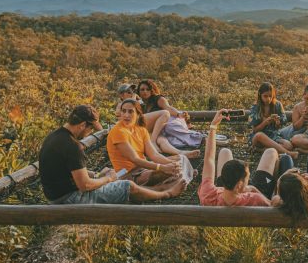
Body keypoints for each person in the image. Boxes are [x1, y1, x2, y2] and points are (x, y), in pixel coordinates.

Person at [39, 105, 187, 204]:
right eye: (90, 130)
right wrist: (107, 178)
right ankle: (166, 193)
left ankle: (159, 189)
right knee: (127, 186)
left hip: (56, 194)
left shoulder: (53, 137)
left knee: (115, 178)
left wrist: (97, 174)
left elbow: (68, 171)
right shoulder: (72, 146)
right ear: (83, 125)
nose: (89, 133)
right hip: (70, 199)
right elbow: (85, 185)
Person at [106, 99, 196, 187]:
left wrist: (171, 164)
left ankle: (181, 174)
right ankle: (183, 175)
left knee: (181, 158)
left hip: (143, 168)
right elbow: (135, 159)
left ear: (138, 114)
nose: (126, 115)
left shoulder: (141, 130)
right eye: (123, 111)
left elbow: (154, 155)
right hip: (127, 174)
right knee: (161, 173)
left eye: (130, 112)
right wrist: (162, 167)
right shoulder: (118, 131)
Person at [198, 109, 274, 206]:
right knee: (271, 152)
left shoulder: (208, 195)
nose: (248, 180)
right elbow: (271, 206)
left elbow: (209, 159)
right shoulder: (254, 199)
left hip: (229, 195)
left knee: (225, 151)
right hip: (257, 192)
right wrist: (253, 189)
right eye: (247, 178)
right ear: (239, 185)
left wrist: (213, 126)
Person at [136, 79, 200, 156]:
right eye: (142, 90)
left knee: (162, 140)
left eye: (148, 89)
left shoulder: (158, 99)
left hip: (153, 130)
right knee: (164, 115)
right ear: (138, 92)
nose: (145, 92)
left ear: (152, 90)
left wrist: (178, 114)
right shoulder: (139, 103)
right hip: (143, 128)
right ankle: (153, 142)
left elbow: (168, 108)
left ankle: (181, 153)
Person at [248, 82, 298, 158]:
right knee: (260, 135)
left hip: (273, 136)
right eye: (265, 96)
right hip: (258, 138)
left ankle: (260, 150)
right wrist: (264, 123)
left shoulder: (277, 105)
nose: (268, 99)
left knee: (289, 145)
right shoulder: (255, 107)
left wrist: (278, 123)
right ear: (260, 95)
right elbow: (255, 130)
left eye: (270, 96)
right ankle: (288, 153)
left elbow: (282, 122)